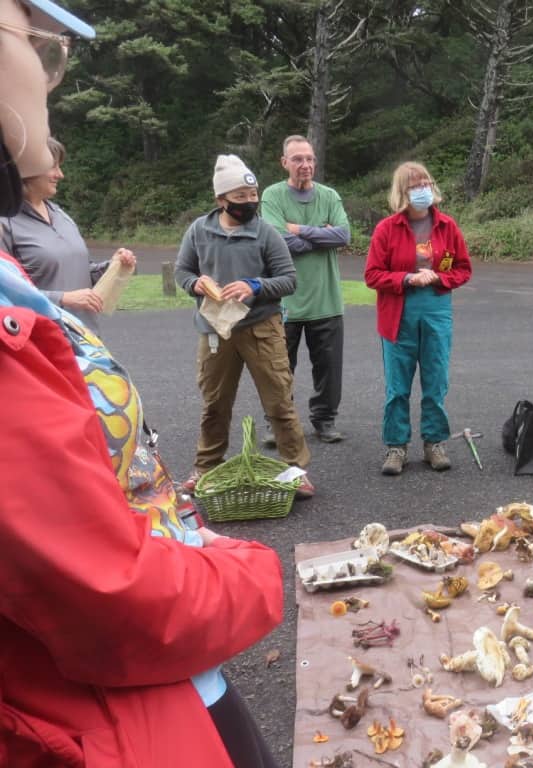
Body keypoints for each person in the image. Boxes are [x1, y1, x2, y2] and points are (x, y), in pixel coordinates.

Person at [0, 1, 284, 766]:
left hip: (135, 679)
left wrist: (252, 291)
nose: (47, 57)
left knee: (280, 410)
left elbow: (285, 274)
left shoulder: (31, 264)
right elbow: (101, 594)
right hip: (103, 714)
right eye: (28, 35)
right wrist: (249, 570)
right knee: (215, 416)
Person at [174, 154, 315, 498]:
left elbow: (288, 280)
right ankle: (205, 467)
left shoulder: (265, 232)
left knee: (279, 400)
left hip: (260, 328)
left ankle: (295, 469)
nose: (249, 203)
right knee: (215, 402)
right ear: (221, 200)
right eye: (240, 198)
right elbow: (182, 272)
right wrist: (195, 284)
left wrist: (255, 285)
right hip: (214, 331)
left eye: (253, 196)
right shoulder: (199, 230)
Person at [364, 161, 472, 475]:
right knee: (397, 386)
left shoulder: (447, 226)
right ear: (402, 192)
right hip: (398, 315)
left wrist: (438, 277)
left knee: (435, 382)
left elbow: (463, 269)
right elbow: (372, 275)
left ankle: (434, 443)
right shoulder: (387, 228)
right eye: (414, 185)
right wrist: (407, 279)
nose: (422, 189)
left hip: (436, 313)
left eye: (425, 182)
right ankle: (396, 447)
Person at [260, 135, 351, 444]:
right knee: (278, 368)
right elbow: (275, 240)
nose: (305, 165)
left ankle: (325, 420)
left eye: (310, 158)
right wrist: (319, 236)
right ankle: (277, 422)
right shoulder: (272, 196)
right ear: (284, 163)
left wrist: (298, 229)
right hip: (284, 301)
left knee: (328, 368)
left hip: (326, 299)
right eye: (297, 159)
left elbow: (343, 235)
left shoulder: (329, 196)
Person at [1, 136, 136, 333]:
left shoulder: (61, 215)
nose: (60, 175)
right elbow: (4, 293)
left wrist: (112, 266)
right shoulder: (5, 222)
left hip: (85, 337)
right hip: (42, 343)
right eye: (53, 167)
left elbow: (80, 273)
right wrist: (63, 298)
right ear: (27, 170)